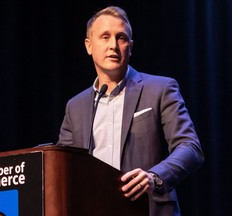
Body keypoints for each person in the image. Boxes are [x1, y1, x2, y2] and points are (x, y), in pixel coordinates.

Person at [56, 5, 204, 216]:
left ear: (131, 46)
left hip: (147, 209)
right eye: (105, 37)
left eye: (121, 38)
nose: (113, 46)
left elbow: (190, 148)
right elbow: (63, 167)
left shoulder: (160, 89)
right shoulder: (75, 106)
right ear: (89, 46)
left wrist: (154, 177)